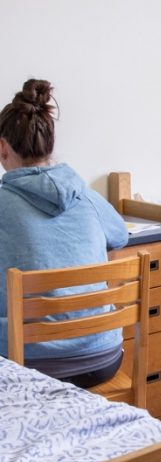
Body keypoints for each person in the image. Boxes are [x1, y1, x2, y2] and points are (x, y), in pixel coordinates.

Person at [0, 79, 129, 387]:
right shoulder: (83, 194)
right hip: (102, 356)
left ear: (3, 148)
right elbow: (120, 236)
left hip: (30, 363)